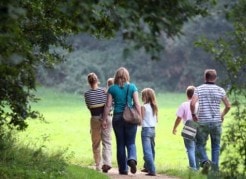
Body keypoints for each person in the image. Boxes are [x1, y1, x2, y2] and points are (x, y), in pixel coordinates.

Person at [190, 69, 231, 174]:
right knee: (216, 146)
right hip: (216, 122)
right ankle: (215, 170)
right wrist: (222, 115)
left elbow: (192, 104)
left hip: (203, 121)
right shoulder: (220, 90)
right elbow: (228, 105)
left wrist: (194, 115)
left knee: (199, 144)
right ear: (215, 78)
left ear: (205, 77)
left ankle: (204, 161)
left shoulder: (198, 89)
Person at [102, 67, 141, 175]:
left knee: (120, 143)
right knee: (131, 142)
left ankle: (123, 169)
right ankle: (132, 159)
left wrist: (104, 120)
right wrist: (140, 117)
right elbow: (137, 104)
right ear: (127, 76)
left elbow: (108, 106)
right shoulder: (132, 87)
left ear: (116, 76)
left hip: (117, 117)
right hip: (130, 118)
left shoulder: (112, 89)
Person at [84, 72, 112, 173]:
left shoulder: (87, 94)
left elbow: (89, 107)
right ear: (97, 80)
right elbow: (109, 104)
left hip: (95, 118)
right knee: (107, 141)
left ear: (89, 82)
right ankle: (107, 163)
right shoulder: (104, 91)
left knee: (96, 143)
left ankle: (97, 165)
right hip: (107, 118)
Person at [172, 86, 198, 170]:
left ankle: (193, 168)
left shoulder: (184, 105)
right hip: (199, 128)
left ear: (187, 95)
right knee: (197, 148)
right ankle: (197, 167)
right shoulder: (199, 104)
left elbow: (179, 118)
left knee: (190, 148)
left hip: (188, 128)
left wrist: (174, 128)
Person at [140, 88, 158, 176]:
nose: (141, 97)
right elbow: (156, 119)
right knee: (152, 149)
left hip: (146, 130)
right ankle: (147, 167)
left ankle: (152, 170)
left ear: (145, 97)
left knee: (147, 151)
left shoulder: (144, 107)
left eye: (142, 96)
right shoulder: (154, 106)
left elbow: (141, 119)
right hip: (153, 130)